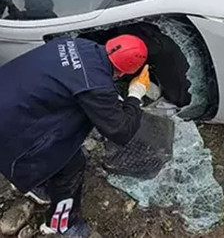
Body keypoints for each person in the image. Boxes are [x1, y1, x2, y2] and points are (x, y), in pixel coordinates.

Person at [0, 35, 152, 236]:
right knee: (71, 166)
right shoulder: (95, 84)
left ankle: (38, 184)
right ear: (124, 72)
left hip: (11, 95)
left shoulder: (73, 42)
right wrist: (135, 94)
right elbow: (121, 131)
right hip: (9, 125)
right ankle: (61, 224)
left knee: (60, 148)